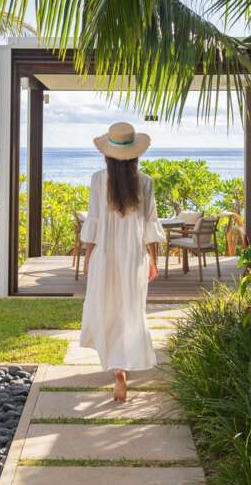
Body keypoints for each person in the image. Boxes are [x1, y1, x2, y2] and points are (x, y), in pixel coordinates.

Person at [79, 122, 165, 402]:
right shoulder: (145, 182)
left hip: (105, 254)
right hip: (134, 257)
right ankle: (122, 367)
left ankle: (117, 369)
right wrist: (153, 260)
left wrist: (88, 257)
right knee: (130, 309)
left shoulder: (97, 180)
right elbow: (150, 224)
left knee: (106, 308)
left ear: (107, 154)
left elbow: (93, 221)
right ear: (135, 155)